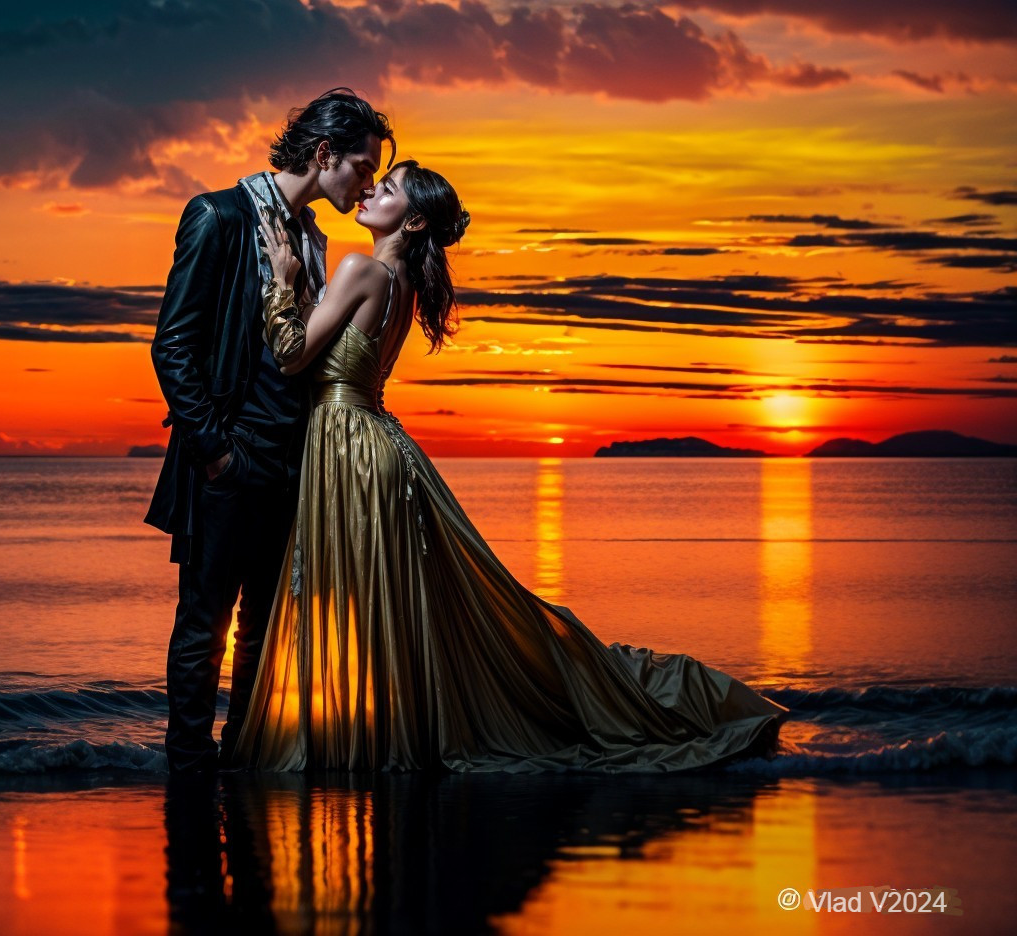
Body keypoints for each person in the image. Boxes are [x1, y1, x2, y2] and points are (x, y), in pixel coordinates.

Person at [226, 159, 790, 773]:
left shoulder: (360, 269)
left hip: (346, 445)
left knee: (356, 598)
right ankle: (372, 737)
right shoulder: (402, 284)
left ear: (412, 219)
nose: (369, 190)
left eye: (385, 189)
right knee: (384, 601)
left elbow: (288, 355)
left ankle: (347, 745)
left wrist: (282, 278)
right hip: (377, 445)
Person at [145, 89, 396, 774]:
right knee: (203, 625)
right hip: (230, 462)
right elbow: (172, 346)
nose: (368, 183)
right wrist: (217, 453)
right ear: (324, 155)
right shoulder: (217, 216)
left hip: (293, 465)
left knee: (260, 630)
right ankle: (189, 771)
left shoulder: (314, 237)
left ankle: (243, 765)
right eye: (363, 168)